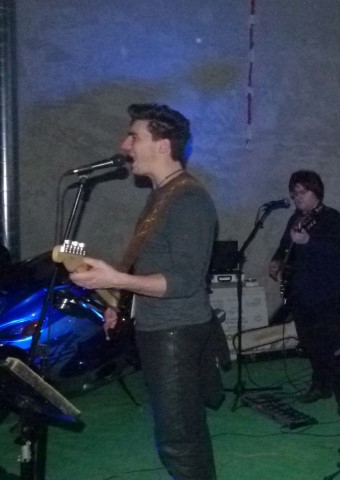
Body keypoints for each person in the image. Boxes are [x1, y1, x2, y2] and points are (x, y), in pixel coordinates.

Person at [70, 103, 223, 479]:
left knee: (179, 439)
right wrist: (121, 302)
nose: (125, 145)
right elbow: (151, 268)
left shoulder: (189, 200)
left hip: (176, 333)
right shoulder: (162, 196)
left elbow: (184, 280)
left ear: (163, 145)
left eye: (133, 136)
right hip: (160, 329)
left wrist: (118, 280)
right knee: (178, 432)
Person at [268, 170, 340, 415]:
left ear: (316, 192)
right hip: (301, 292)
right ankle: (320, 385)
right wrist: (276, 261)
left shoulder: (332, 218)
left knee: (332, 344)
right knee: (309, 342)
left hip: (327, 293)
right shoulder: (296, 218)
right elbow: (285, 246)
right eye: (294, 193)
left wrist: (308, 242)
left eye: (302, 192)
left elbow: (334, 251)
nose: (297, 197)